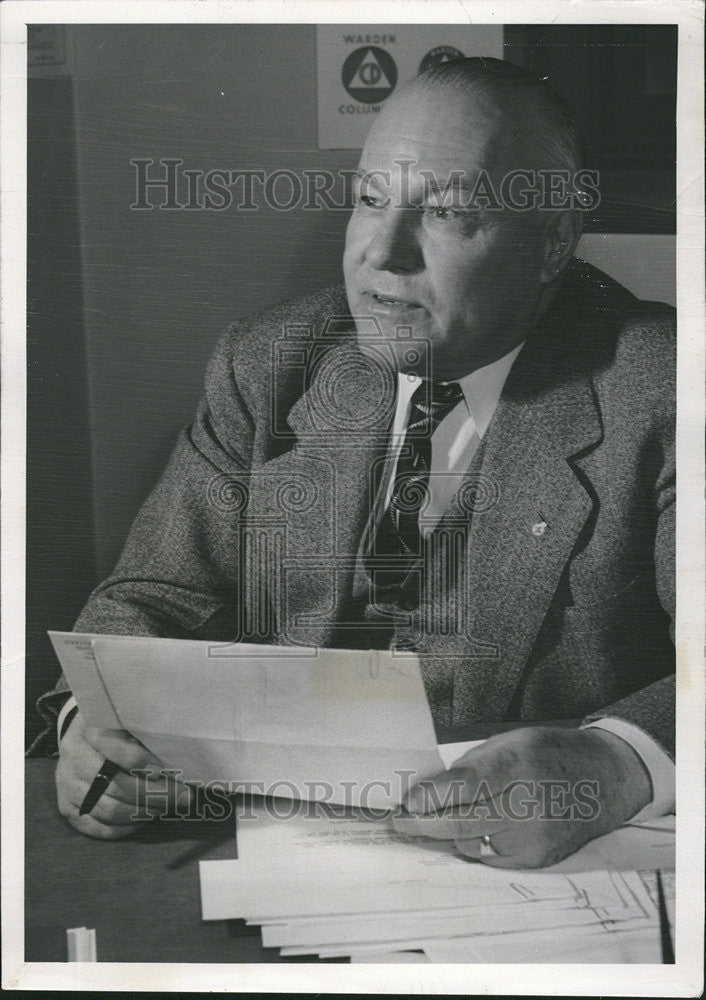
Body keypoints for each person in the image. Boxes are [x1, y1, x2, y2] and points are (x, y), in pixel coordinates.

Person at [37, 58, 675, 867]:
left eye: (444, 213)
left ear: (552, 243)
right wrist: (87, 732)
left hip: (545, 868)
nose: (382, 253)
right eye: (370, 200)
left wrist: (613, 765)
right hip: (291, 850)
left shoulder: (662, 387)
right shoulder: (271, 362)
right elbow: (149, 598)